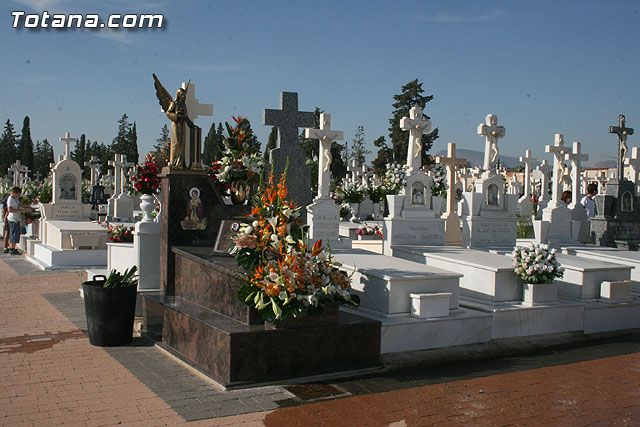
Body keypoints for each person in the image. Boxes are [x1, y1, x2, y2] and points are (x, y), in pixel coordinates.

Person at [6, 187, 26, 255]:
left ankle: (13, 247)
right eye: (18, 194)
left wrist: (28, 207)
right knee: (14, 234)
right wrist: (21, 210)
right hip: (13, 219)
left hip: (16, 218)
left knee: (16, 233)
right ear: (14, 193)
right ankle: (12, 248)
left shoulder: (15, 199)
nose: (18, 196)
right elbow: (10, 210)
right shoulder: (10, 199)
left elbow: (19, 204)